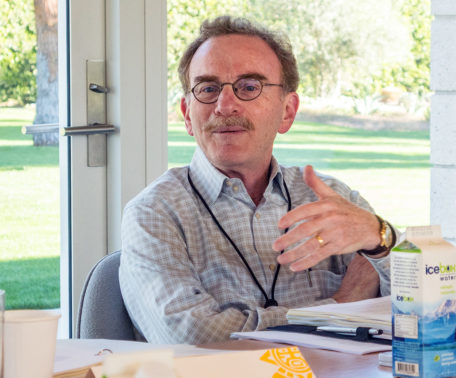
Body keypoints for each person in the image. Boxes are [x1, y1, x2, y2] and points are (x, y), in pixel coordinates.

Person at [119, 15, 397, 345]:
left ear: (287, 111)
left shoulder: (332, 200)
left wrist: (382, 242)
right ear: (187, 114)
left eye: (249, 87)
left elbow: (429, 311)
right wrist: (341, 307)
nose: (224, 105)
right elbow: (190, 337)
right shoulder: (154, 214)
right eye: (207, 89)